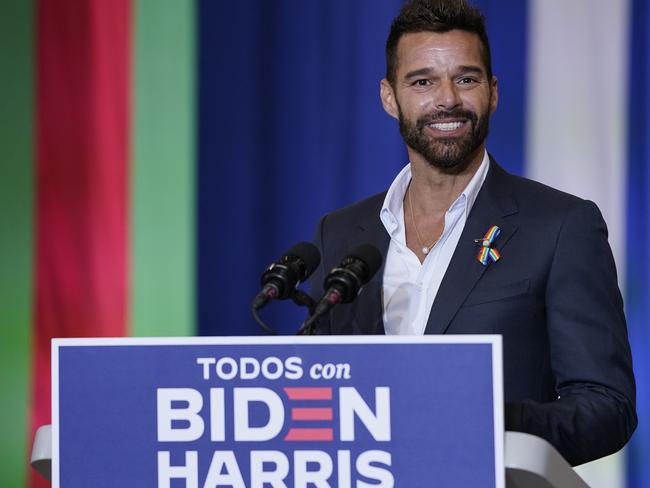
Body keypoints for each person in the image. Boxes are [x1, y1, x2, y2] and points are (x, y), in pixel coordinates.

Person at [309, 0, 636, 466]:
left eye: (466, 79)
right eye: (422, 81)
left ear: (493, 91)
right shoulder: (339, 233)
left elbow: (608, 407)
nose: (447, 99)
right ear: (389, 97)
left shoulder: (561, 226)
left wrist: (492, 423)